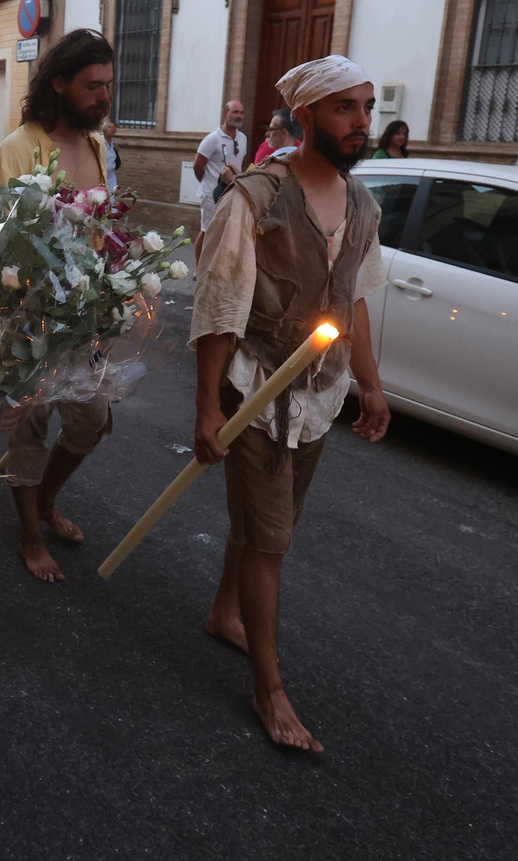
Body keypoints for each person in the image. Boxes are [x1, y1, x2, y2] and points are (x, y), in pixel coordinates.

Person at [191, 54, 391, 752]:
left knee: (265, 525)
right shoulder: (254, 199)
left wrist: (370, 381)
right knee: (271, 539)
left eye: (367, 108)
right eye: (346, 108)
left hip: (319, 397)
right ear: (306, 117)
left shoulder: (363, 204)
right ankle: (269, 690)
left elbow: (354, 299)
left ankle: (224, 612)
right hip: (255, 392)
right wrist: (207, 409)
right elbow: (219, 308)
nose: (362, 123)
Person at [0, 29, 116, 581]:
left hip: (84, 320)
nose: (104, 97)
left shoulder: (97, 146)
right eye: (92, 86)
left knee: (92, 423)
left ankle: (44, 499)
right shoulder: (18, 149)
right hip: (27, 320)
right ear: (58, 84)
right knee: (28, 431)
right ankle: (31, 536)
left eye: (108, 85)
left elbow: (102, 230)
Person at [194, 100, 248, 244]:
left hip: (232, 194)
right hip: (212, 195)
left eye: (241, 113)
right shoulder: (212, 139)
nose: (239, 116)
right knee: (207, 231)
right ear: (225, 114)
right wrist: (210, 184)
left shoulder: (243, 138)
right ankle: (199, 267)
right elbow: (198, 166)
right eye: (235, 112)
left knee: (226, 232)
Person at [102, 119, 120, 188]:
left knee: (112, 196)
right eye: (109, 127)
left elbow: (116, 161)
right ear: (104, 129)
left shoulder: (113, 143)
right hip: (102, 175)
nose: (111, 129)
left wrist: (116, 151)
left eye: (113, 127)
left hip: (111, 175)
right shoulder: (99, 141)